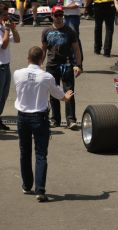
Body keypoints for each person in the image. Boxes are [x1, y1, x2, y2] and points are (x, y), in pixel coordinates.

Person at [14, 46, 74, 202]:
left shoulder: (17, 74)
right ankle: (40, 190)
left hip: (22, 117)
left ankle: (27, 185)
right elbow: (58, 94)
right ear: (42, 59)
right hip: (39, 118)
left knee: (24, 152)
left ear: (28, 58)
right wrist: (66, 96)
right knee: (41, 154)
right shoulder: (46, 76)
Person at [41, 5, 82, 130]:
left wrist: (78, 65)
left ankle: (71, 120)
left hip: (67, 65)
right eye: (56, 15)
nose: (59, 17)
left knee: (69, 91)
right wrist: (38, 65)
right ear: (52, 16)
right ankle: (55, 119)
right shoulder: (46, 31)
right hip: (51, 65)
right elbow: (43, 50)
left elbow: (76, 49)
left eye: (60, 15)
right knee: (53, 93)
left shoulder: (70, 31)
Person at [0, 3, 20, 131]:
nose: (7, 17)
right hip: (0, 66)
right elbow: (4, 45)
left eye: (8, 14)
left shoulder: (4, 27)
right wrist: (7, 30)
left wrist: (13, 28)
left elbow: (17, 40)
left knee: (4, 95)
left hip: (6, 65)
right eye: (5, 15)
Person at [63, 0, 84, 68]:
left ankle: (78, 63)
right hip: (66, 16)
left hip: (73, 17)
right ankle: (72, 62)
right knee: (68, 40)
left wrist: (65, 7)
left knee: (75, 40)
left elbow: (77, 4)